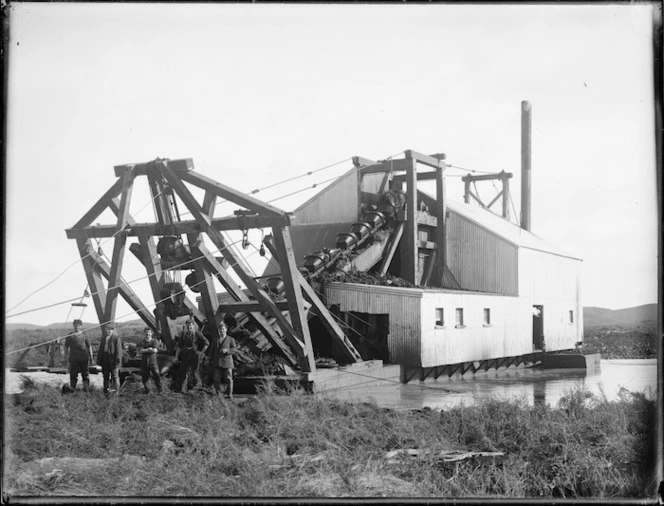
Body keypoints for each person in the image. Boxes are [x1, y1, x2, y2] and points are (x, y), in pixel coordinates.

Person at [173, 319, 209, 393]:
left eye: (191, 325)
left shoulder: (197, 334)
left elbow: (207, 342)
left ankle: (197, 388)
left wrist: (201, 352)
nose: (189, 327)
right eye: (188, 325)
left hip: (194, 354)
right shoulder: (184, 335)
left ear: (193, 326)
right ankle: (183, 389)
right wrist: (176, 357)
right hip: (185, 354)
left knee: (195, 372)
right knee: (183, 371)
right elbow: (179, 346)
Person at [63, 319, 94, 391]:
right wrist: (65, 356)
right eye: (75, 325)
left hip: (84, 358)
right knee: (73, 374)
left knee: (85, 374)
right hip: (73, 358)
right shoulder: (70, 336)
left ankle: (86, 389)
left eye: (78, 325)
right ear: (73, 326)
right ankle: (72, 389)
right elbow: (65, 346)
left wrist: (91, 357)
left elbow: (89, 346)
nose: (77, 327)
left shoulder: (84, 335)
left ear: (81, 326)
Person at [210, 320, 238, 399]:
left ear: (226, 330)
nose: (221, 331)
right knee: (216, 379)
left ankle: (229, 394)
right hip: (217, 362)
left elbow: (235, 349)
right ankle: (217, 394)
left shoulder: (230, 339)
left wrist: (227, 350)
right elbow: (212, 350)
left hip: (227, 362)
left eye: (223, 329)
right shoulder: (216, 340)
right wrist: (209, 359)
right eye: (220, 329)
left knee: (228, 379)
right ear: (218, 331)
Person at [97, 324, 123, 395]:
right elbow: (101, 349)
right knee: (105, 376)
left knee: (115, 376)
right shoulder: (104, 338)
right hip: (105, 359)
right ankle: (105, 391)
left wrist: (117, 361)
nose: (109, 331)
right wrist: (99, 359)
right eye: (107, 329)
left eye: (111, 329)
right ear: (105, 329)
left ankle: (117, 391)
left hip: (113, 360)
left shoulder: (116, 338)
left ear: (113, 330)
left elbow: (118, 351)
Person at [139, 327, 165, 394]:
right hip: (145, 362)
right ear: (144, 333)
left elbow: (155, 350)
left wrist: (146, 350)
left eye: (149, 332)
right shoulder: (142, 342)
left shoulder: (154, 341)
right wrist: (149, 349)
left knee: (156, 375)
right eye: (146, 332)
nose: (148, 334)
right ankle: (148, 391)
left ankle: (160, 390)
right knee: (144, 377)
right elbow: (140, 351)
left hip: (153, 361)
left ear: (151, 333)